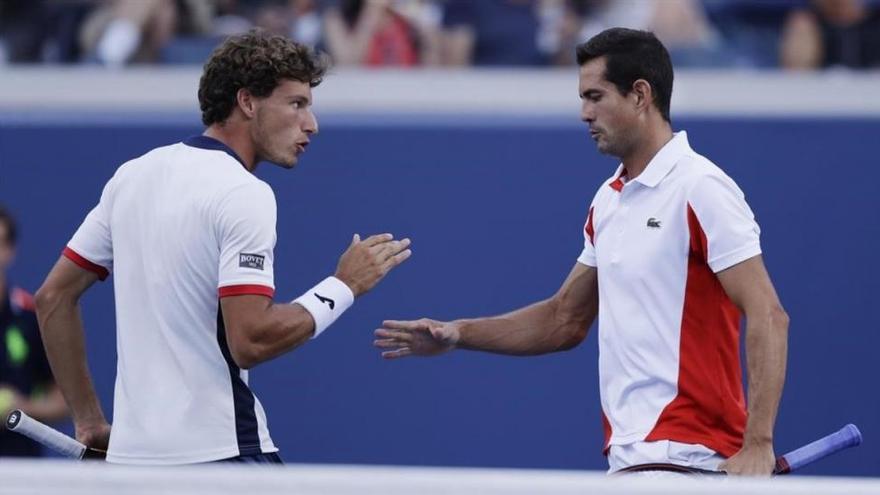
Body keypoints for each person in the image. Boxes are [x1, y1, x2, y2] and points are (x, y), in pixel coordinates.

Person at [374, 28, 788, 476]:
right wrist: (457, 333)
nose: (584, 114)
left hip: (687, 457)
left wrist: (759, 443)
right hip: (631, 463)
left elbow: (768, 314)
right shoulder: (608, 200)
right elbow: (563, 320)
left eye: (595, 96)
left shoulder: (701, 188)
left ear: (640, 95)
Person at [35, 30, 411, 465]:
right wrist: (344, 285)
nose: (312, 124)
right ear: (247, 102)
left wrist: (87, 422)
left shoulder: (133, 175)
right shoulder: (243, 193)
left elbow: (53, 297)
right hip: (220, 461)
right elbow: (250, 340)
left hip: (133, 465)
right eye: (297, 104)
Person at [0, 206, 69, 457]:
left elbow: (64, 400)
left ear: (9, 251)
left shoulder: (33, 318)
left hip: (20, 471)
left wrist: (23, 409)